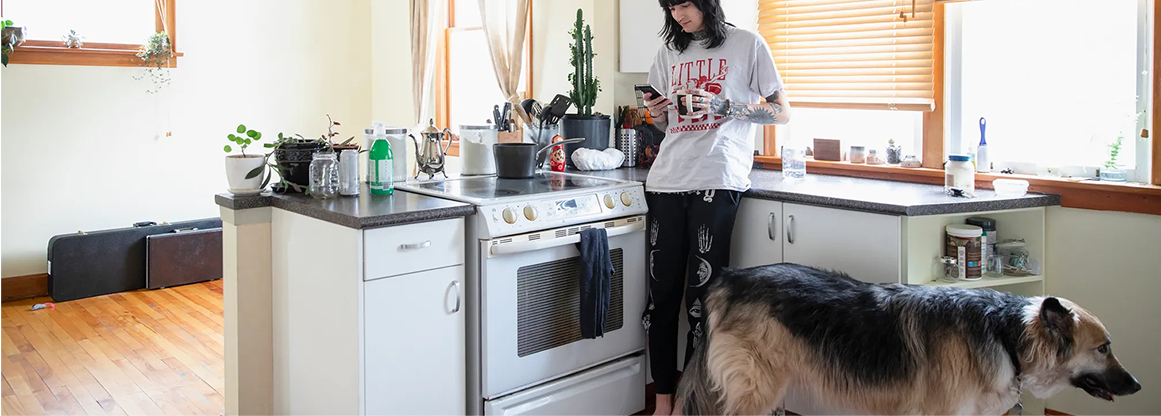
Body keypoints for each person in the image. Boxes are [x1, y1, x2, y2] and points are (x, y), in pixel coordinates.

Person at [639, 1, 790, 415]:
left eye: (684, 4)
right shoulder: (669, 52)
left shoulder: (747, 44)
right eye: (670, 7)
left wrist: (723, 107)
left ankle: (690, 405)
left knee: (702, 303)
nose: (677, 15)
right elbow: (665, 125)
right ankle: (663, 403)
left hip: (717, 179)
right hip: (667, 181)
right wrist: (655, 115)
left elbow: (781, 112)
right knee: (660, 301)